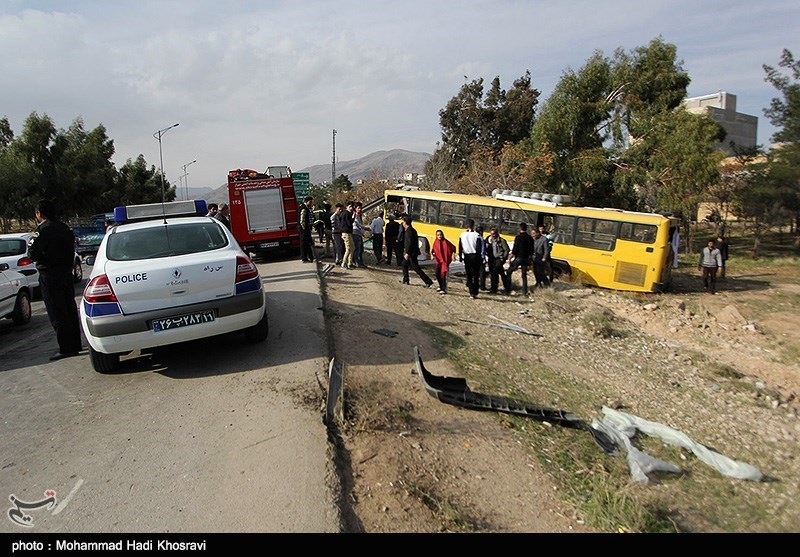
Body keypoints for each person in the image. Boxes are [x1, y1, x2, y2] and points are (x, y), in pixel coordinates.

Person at [28, 199, 83, 361]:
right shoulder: (64, 227)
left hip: (50, 276)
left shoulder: (43, 230)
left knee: (57, 311)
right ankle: (75, 343)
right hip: (66, 274)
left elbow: (32, 253)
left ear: (39, 213)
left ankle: (66, 348)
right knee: (70, 309)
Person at [401, 216, 434, 288]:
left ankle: (428, 281)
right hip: (412, 252)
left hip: (411, 253)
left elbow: (409, 243)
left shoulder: (409, 231)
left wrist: (407, 253)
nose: (402, 223)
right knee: (404, 264)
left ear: (406, 222)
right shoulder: (410, 230)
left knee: (416, 268)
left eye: (403, 221)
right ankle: (405, 279)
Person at [506, 222, 534, 296]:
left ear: (520, 229)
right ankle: (524, 291)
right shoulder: (530, 238)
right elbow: (532, 250)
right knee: (524, 275)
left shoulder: (518, 237)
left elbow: (515, 248)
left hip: (519, 257)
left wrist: (511, 257)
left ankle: (507, 288)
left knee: (509, 271)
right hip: (526, 258)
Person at [458, 219, 483, 299]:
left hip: (467, 256)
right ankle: (475, 291)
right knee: (476, 274)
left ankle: (471, 291)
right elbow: (479, 247)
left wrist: (461, 257)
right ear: (473, 225)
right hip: (475, 256)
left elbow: (460, 246)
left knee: (469, 274)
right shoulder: (477, 235)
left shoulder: (462, 235)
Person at [486, 227, 511, 293]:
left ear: (497, 234)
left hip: (499, 259)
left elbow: (506, 249)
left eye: (494, 234)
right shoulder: (489, 241)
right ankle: (502, 288)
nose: (493, 235)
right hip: (491, 259)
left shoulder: (501, 240)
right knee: (497, 273)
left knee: (495, 273)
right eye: (491, 234)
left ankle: (495, 289)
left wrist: (503, 258)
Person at [431, 230, 457, 294]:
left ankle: (443, 288)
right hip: (438, 261)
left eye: (440, 235)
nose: (439, 236)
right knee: (437, 274)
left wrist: (453, 255)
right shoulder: (436, 242)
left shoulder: (446, 242)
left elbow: (453, 247)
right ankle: (440, 286)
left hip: (444, 261)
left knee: (443, 275)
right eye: (438, 235)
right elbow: (433, 250)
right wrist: (432, 255)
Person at [299, 196, 315, 263]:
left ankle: (310, 257)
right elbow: (302, 220)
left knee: (308, 242)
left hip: (306, 228)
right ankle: (304, 258)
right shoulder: (304, 208)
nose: (311, 203)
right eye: (310, 202)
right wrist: (304, 228)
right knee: (304, 243)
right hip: (304, 229)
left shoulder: (306, 208)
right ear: (306, 201)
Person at [341, 201, 355, 269]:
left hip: (347, 233)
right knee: (348, 249)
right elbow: (349, 223)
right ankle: (344, 263)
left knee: (352, 248)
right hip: (346, 233)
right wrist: (353, 217)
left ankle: (350, 263)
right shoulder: (346, 213)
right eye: (350, 207)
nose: (351, 208)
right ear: (347, 207)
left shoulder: (345, 213)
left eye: (352, 207)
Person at [352, 202, 366, 267]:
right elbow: (357, 224)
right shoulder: (354, 215)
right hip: (355, 233)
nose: (360, 209)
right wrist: (364, 228)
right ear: (355, 208)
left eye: (361, 208)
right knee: (357, 249)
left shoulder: (359, 215)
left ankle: (360, 262)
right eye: (358, 208)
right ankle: (356, 262)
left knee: (360, 249)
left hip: (359, 234)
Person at [475, 225, 488, 291]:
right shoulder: (481, 239)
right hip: (479, 257)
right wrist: (483, 257)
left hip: (473, 256)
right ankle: (482, 286)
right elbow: (483, 249)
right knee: (482, 272)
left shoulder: (473, 237)